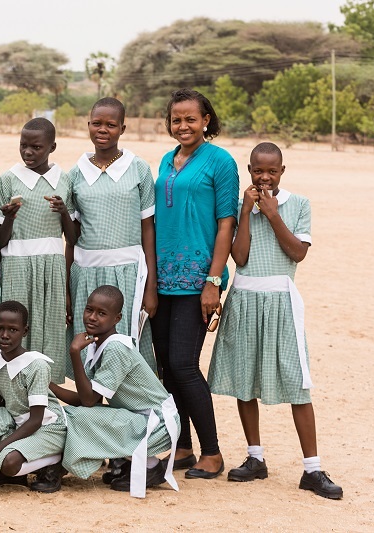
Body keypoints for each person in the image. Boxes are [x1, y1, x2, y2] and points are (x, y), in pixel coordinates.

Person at [208, 142, 343, 499]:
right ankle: (255, 458)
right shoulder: (241, 207)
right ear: (249, 171)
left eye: (271, 171)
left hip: (281, 301)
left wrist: (272, 214)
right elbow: (240, 257)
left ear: (283, 171)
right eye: (258, 170)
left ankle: (312, 469)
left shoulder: (299, 204)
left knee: (297, 382)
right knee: (244, 381)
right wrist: (247, 210)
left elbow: (297, 253)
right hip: (244, 299)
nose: (264, 177)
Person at [151, 88, 239, 479]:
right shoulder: (166, 160)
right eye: (176, 119)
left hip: (198, 280)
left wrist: (213, 281)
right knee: (167, 368)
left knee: (185, 365)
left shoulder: (220, 161)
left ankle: (213, 453)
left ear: (206, 120)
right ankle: (183, 447)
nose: (183, 125)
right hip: (163, 279)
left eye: (191, 118)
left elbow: (226, 224)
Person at [51, 286, 179, 498]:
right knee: (74, 414)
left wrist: (74, 352)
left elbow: (89, 401)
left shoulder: (115, 348)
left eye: (102, 313)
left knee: (79, 417)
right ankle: (133, 462)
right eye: (89, 310)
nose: (92, 317)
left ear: (117, 318)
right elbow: (88, 399)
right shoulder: (97, 343)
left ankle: (151, 466)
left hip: (157, 424)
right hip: (139, 418)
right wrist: (50, 386)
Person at [67, 97, 157, 376]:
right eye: (97, 123)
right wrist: (67, 288)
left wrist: (151, 287)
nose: (103, 130)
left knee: (126, 351)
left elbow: (148, 228)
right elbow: (71, 237)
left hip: (128, 273)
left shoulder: (138, 169)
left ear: (122, 128)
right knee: (89, 352)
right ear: (88, 125)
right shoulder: (75, 174)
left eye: (111, 125)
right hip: (86, 274)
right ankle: (91, 404)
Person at [0, 118, 76, 384]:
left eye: (36, 147)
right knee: (15, 328)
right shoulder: (8, 179)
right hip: (16, 266)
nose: (28, 152)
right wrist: (9, 218)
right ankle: (12, 389)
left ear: (52, 147)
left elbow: (73, 237)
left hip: (51, 266)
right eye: (23, 145)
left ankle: (46, 393)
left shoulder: (64, 180)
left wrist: (64, 212)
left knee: (49, 327)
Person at [0, 301, 67, 492]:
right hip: (16, 423)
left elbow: (36, 420)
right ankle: (17, 471)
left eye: (13, 330)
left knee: (8, 463)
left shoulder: (36, 366)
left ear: (25, 331)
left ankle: (56, 462)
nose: (5, 335)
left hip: (47, 428)